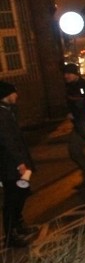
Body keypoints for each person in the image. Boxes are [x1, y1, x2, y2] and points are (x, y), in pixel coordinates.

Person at [0, 82, 34, 248]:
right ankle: (10, 235)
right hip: (10, 166)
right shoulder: (2, 114)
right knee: (12, 198)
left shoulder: (9, 110)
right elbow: (8, 141)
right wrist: (20, 163)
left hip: (17, 164)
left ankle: (18, 225)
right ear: (6, 94)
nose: (17, 95)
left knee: (22, 192)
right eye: (14, 93)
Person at [63, 63, 85, 190]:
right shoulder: (69, 87)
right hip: (79, 126)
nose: (66, 76)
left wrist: (75, 114)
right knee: (74, 151)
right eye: (65, 74)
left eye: (69, 73)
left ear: (75, 73)